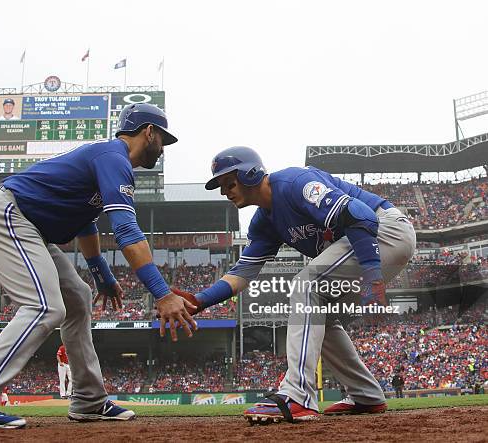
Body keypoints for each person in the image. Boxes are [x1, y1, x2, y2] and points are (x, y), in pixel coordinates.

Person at [0, 103, 197, 429]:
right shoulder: (113, 158)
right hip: (8, 215)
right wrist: (162, 294)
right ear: (149, 132)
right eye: (163, 139)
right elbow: (128, 232)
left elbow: (86, 223)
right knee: (45, 307)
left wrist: (101, 274)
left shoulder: (106, 159)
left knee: (78, 297)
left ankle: (89, 400)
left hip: (30, 226)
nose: (162, 149)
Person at [173, 146, 415, 423]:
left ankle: (297, 396)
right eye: (221, 186)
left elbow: (360, 215)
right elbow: (243, 272)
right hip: (369, 242)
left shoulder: (293, 184)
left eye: (230, 182)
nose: (224, 191)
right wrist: (200, 300)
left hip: (385, 231)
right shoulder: (265, 221)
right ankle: (366, 395)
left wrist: (373, 276)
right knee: (319, 317)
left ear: (251, 174)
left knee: (306, 284)